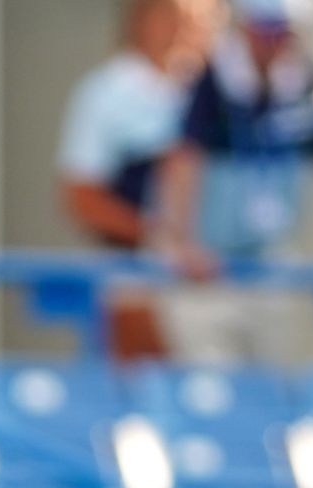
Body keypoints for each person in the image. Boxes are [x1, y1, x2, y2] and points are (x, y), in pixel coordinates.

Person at [156, 0, 313, 361]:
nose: (279, 42)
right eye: (269, 30)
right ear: (246, 27)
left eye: (288, 33)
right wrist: (181, 243)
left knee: (274, 382)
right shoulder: (209, 79)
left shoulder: (309, 80)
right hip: (207, 271)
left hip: (271, 266)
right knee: (209, 382)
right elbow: (182, 163)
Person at [55, 0, 218, 359]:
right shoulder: (107, 91)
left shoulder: (220, 89)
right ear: (143, 18)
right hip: (139, 277)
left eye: (200, 19)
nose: (186, 30)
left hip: (224, 278)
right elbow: (81, 196)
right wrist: (160, 239)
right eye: (174, 17)